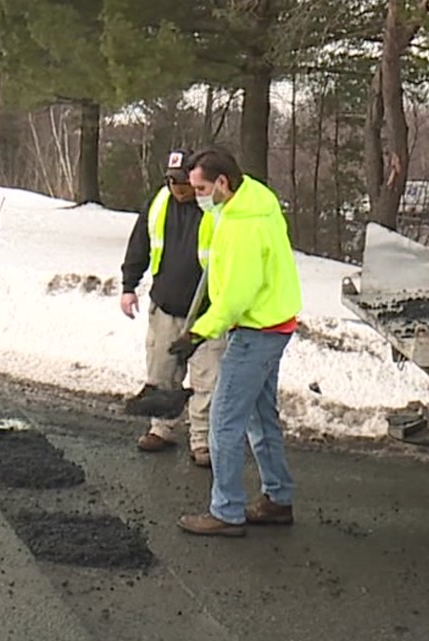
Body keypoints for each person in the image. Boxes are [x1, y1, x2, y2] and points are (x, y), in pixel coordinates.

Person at [173, 146, 302, 537]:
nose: (196, 195)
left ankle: (226, 511)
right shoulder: (253, 204)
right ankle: (277, 498)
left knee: (223, 422)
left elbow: (235, 296)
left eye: (200, 188)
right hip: (274, 323)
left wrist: (198, 332)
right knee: (260, 417)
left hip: (256, 330)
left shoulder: (242, 226)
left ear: (222, 183)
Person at [120, 149, 226, 467]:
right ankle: (161, 428)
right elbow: (140, 243)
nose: (177, 188)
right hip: (166, 306)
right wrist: (128, 286)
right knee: (162, 372)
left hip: (209, 311)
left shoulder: (215, 208)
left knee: (208, 378)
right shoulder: (158, 204)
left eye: (182, 182)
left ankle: (202, 439)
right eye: (171, 181)